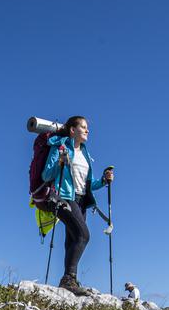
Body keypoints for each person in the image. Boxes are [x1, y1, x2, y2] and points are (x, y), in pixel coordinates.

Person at [41, 116, 114, 295]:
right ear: (72, 130)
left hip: (81, 201)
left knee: (73, 240)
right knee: (83, 235)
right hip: (63, 197)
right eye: (83, 127)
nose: (87, 130)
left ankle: (69, 280)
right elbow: (46, 175)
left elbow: (87, 184)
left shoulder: (85, 153)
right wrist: (60, 162)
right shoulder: (61, 147)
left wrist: (104, 181)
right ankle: (68, 279)